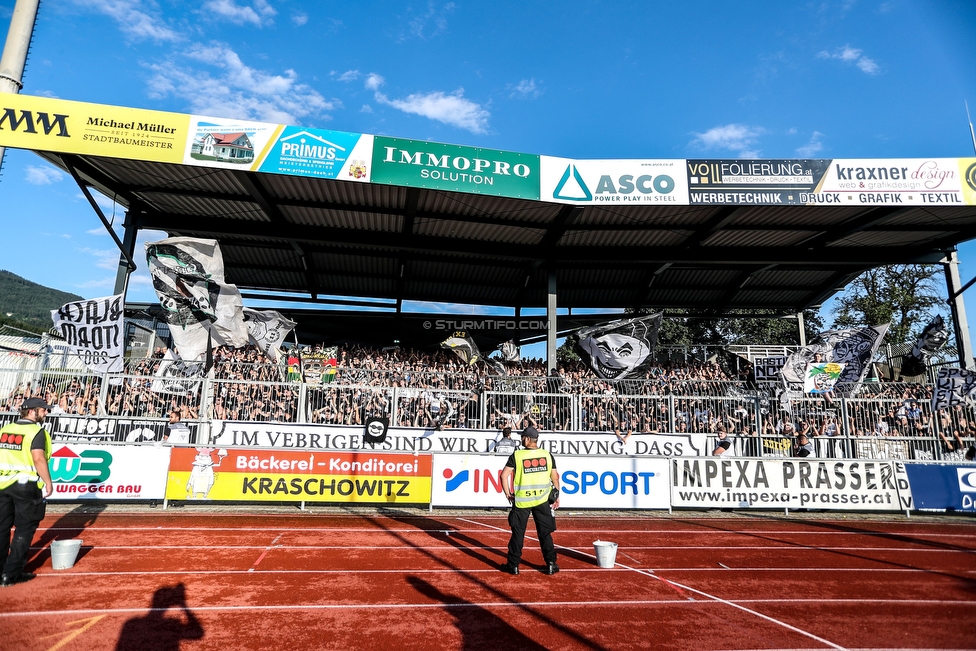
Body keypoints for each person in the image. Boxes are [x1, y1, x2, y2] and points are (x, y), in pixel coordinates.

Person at [0, 397, 54, 587]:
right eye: (43, 410)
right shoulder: (36, 431)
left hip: (2, 484)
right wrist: (48, 482)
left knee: (2, 528)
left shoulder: (5, 429)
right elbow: (39, 459)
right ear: (32, 411)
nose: (46, 413)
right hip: (26, 485)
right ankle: (10, 573)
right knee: (24, 529)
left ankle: (1, 570)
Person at [500, 426, 560, 575]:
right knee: (545, 534)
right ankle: (551, 563)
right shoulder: (547, 455)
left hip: (522, 502)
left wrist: (508, 494)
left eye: (522, 437)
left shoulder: (517, 455)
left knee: (518, 534)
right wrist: (557, 495)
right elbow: (555, 477)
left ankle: (513, 565)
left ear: (527, 439)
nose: (521, 439)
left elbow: (503, 476)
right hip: (542, 500)